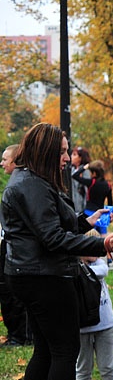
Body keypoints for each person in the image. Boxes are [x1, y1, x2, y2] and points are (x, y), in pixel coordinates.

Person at [1, 122, 113, 380]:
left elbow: (59, 222)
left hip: (33, 273)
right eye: (62, 151)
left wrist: (88, 220)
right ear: (45, 151)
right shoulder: (30, 184)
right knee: (63, 351)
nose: (68, 157)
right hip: (43, 277)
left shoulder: (34, 181)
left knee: (44, 349)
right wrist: (101, 245)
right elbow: (52, 237)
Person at [73, 240, 113, 380]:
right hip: (82, 326)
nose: (93, 252)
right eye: (87, 247)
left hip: (105, 326)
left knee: (107, 366)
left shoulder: (99, 266)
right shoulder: (74, 267)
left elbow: (102, 270)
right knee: (83, 366)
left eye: (96, 248)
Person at [0, 144, 32, 347]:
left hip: (16, 250)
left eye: (5, 159)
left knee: (12, 294)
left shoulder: (19, 186)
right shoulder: (13, 183)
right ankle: (17, 334)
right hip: (8, 246)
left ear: (16, 161)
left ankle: (20, 336)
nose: (2, 162)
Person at [72, 160, 113, 234]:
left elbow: (75, 175)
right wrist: (110, 214)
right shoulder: (108, 185)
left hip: (89, 214)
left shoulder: (91, 182)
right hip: (102, 215)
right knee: (103, 238)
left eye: (90, 172)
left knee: (89, 237)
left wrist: (85, 167)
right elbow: (110, 203)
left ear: (94, 173)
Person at [70, 147, 92, 214]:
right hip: (72, 204)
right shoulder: (71, 170)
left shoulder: (85, 171)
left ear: (80, 158)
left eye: (74, 154)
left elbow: (87, 189)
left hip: (81, 206)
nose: (71, 156)